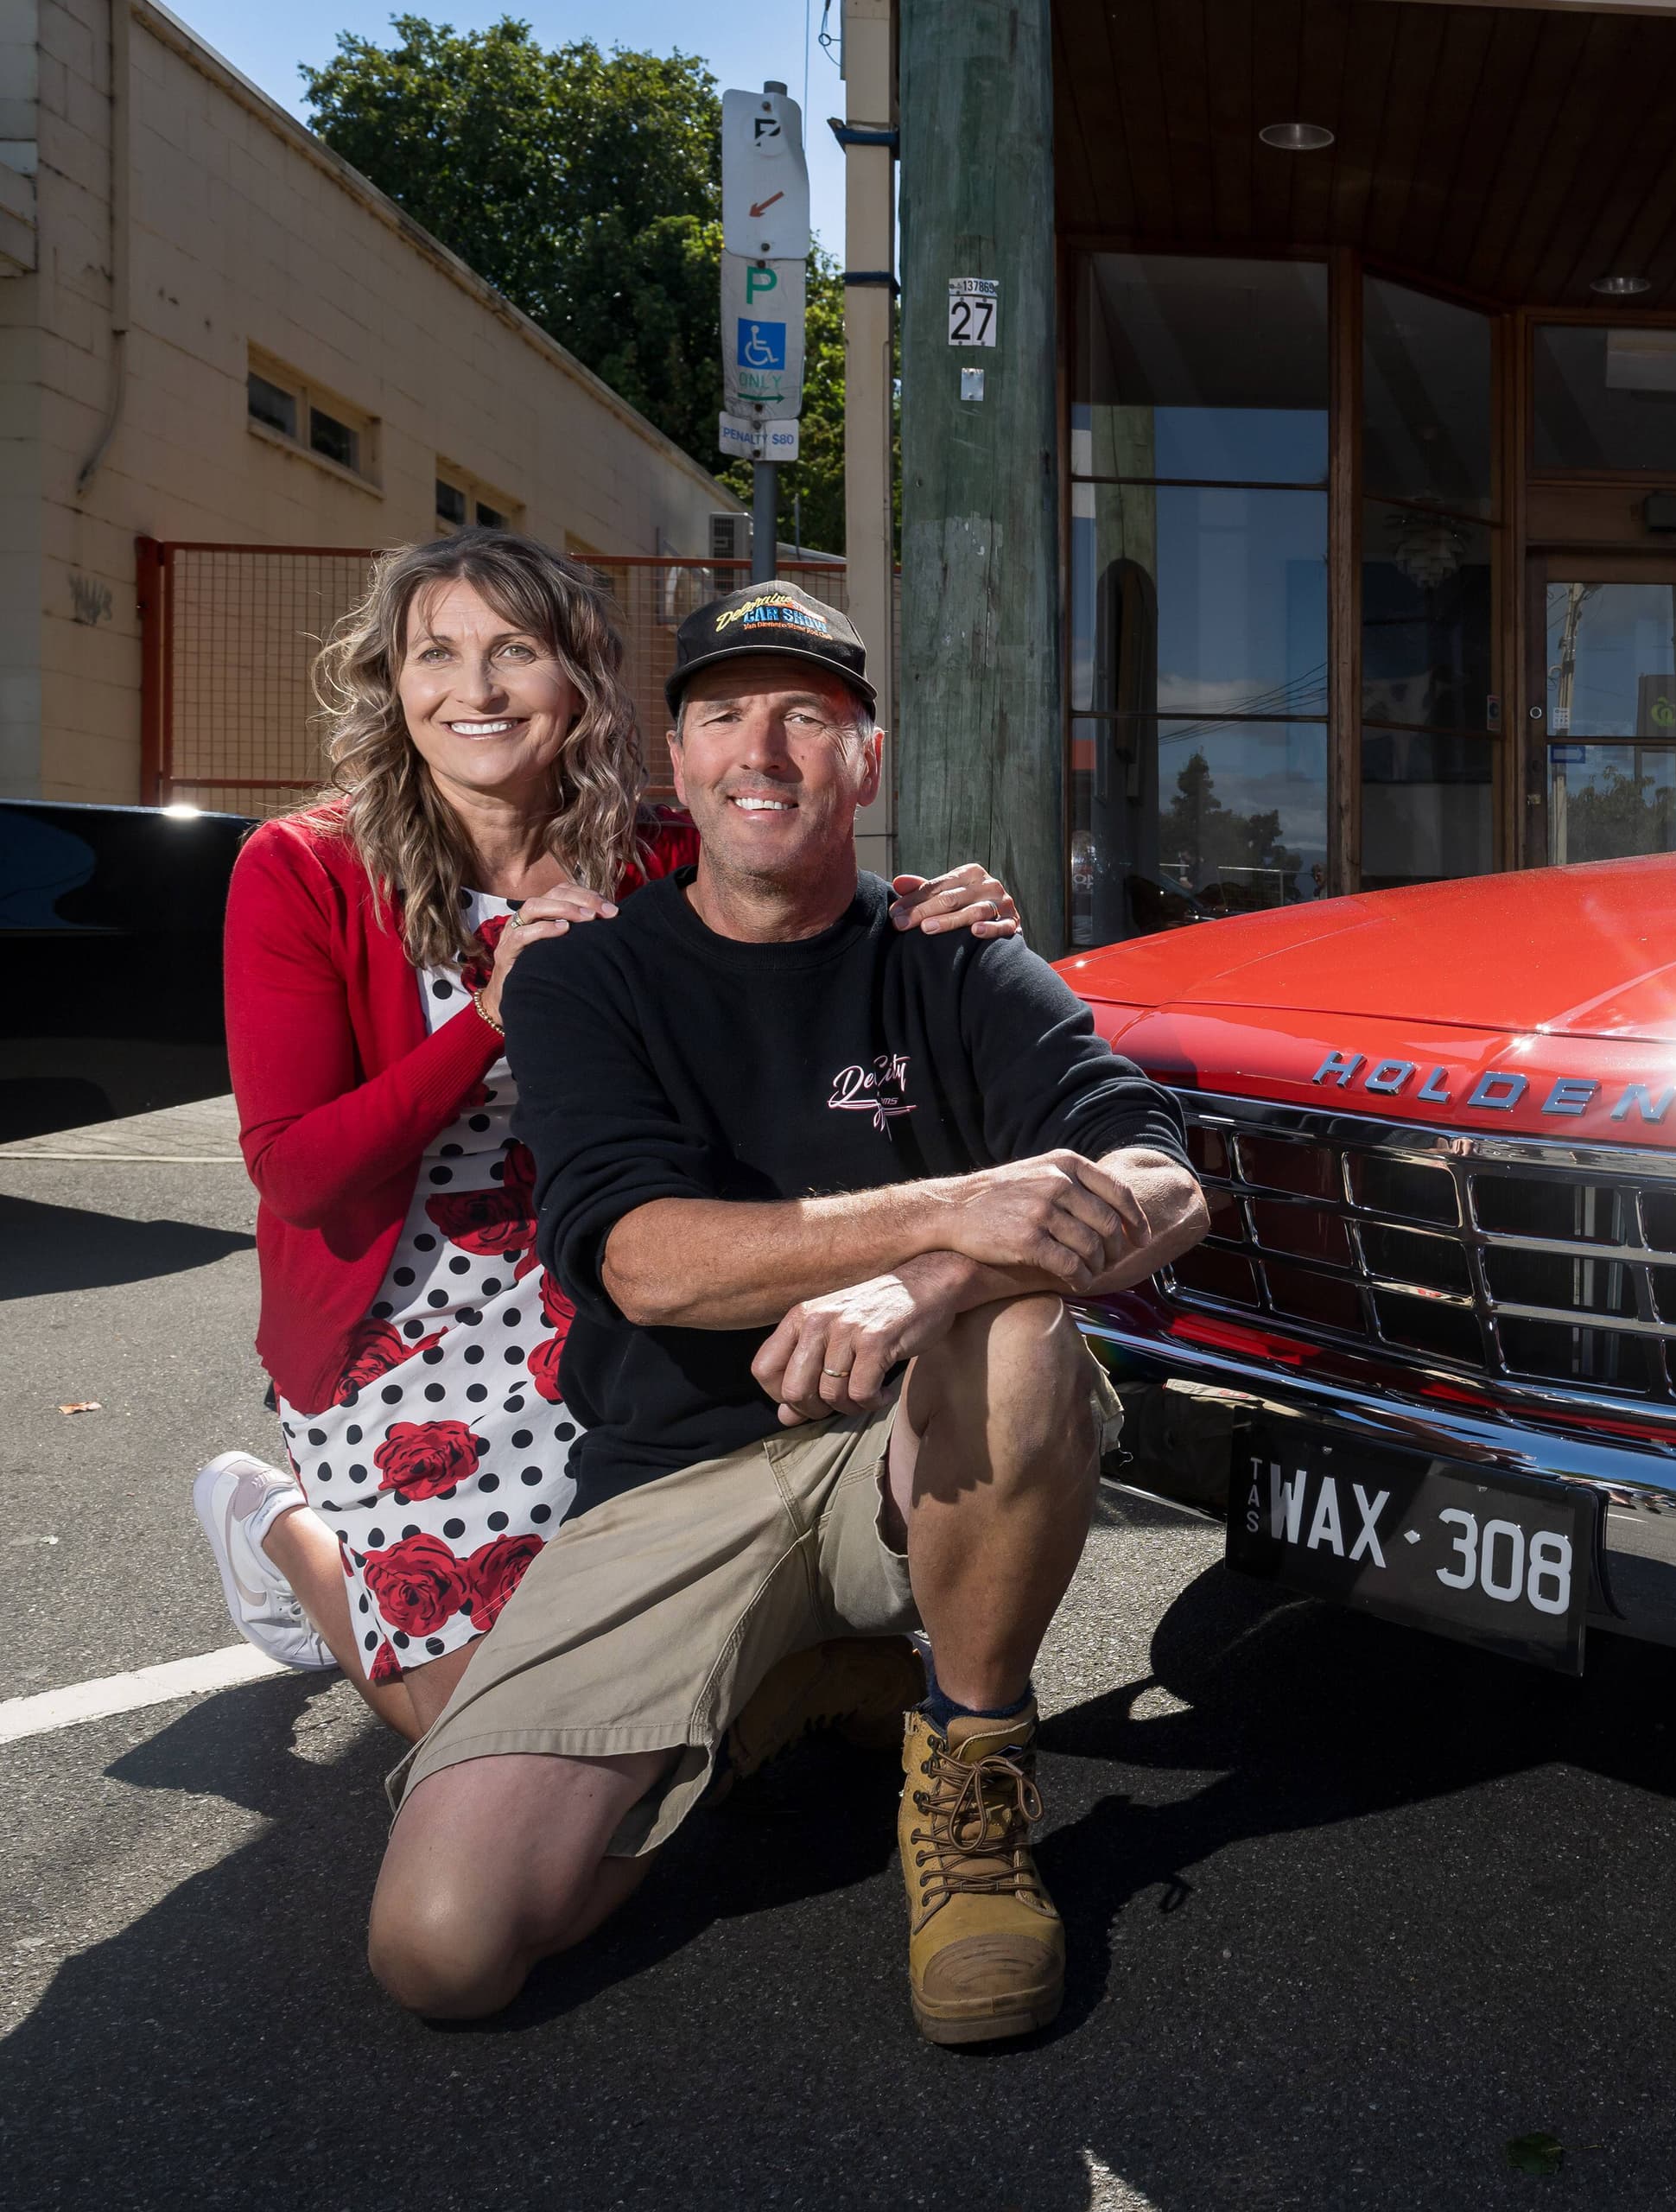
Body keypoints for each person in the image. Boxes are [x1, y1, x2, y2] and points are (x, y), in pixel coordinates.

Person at [362, 580, 1206, 2046]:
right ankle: (798, 1676)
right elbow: (641, 1261)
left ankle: (972, 1773)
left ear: (865, 760)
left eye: (808, 716)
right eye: (725, 715)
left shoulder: (959, 958)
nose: (766, 748)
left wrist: (943, 1277)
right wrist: (953, 1207)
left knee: (1014, 1326)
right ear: (676, 763)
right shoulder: (589, 981)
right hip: (676, 1479)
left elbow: (1161, 1175)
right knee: (446, 1950)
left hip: (909, 1458)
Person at [189, 531, 1025, 1748]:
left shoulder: (655, 852)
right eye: (437, 654)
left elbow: (795, 900)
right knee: (469, 1729)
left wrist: (925, 909)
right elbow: (297, 1170)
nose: (473, 691)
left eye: (514, 653)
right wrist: (485, 1017)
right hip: (400, 1326)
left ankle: (798, 1672)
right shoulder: (306, 868)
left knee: (635, 1672)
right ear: (394, 680)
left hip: (627, 1293)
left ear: (578, 679)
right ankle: (280, 1529)